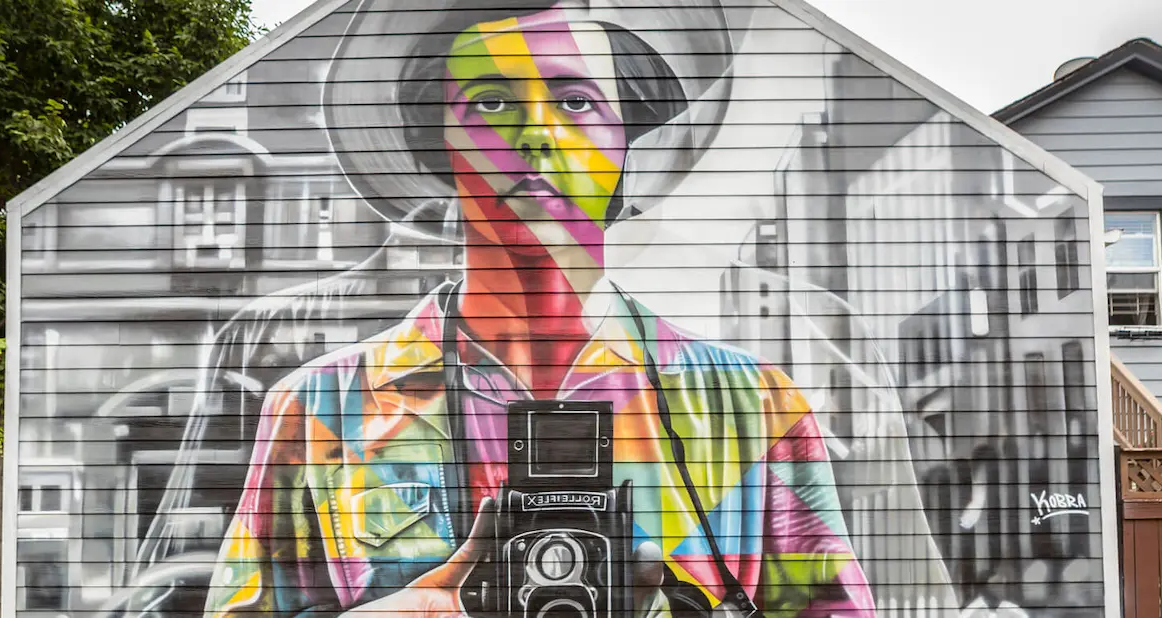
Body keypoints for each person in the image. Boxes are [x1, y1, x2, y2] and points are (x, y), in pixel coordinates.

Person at [203, 1, 876, 616]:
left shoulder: (750, 406)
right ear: (438, 141)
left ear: (625, 142)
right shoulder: (321, 410)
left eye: (577, 102)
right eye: (492, 102)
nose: (538, 136)